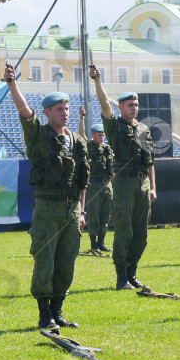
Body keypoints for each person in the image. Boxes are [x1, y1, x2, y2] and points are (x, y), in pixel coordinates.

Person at [5, 63, 88, 330]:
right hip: (48, 206)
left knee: (66, 260)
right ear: (47, 112)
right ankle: (44, 314)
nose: (65, 113)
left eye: (67, 109)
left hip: (72, 208)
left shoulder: (78, 141)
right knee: (46, 259)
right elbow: (24, 111)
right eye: (59, 109)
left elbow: (83, 179)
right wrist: (12, 84)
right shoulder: (39, 135)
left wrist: (82, 211)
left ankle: (58, 310)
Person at [90, 66, 156, 290]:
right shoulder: (115, 126)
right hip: (125, 182)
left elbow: (150, 161)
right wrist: (98, 81)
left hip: (143, 183)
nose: (135, 108)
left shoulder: (144, 129)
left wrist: (153, 187)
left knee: (141, 233)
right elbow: (104, 105)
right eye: (130, 105)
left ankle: (132, 272)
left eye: (136, 104)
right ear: (121, 107)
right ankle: (121, 277)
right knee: (124, 232)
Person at [78, 107, 114, 253]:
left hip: (107, 184)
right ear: (93, 135)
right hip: (94, 184)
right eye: (99, 135)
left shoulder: (107, 149)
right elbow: (81, 135)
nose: (102, 137)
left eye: (103, 135)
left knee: (105, 215)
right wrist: (81, 117)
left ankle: (101, 243)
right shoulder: (89, 146)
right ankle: (93, 244)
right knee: (94, 215)